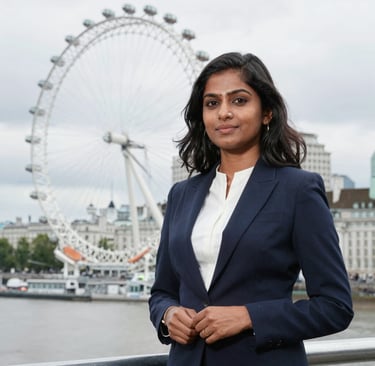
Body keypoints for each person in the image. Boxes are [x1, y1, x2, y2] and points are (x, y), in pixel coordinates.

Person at [149, 52, 353, 366]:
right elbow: (162, 291)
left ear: (267, 112)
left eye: (239, 101)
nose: (224, 113)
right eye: (212, 103)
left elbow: (335, 306)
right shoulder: (181, 195)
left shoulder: (298, 190)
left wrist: (249, 317)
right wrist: (168, 314)